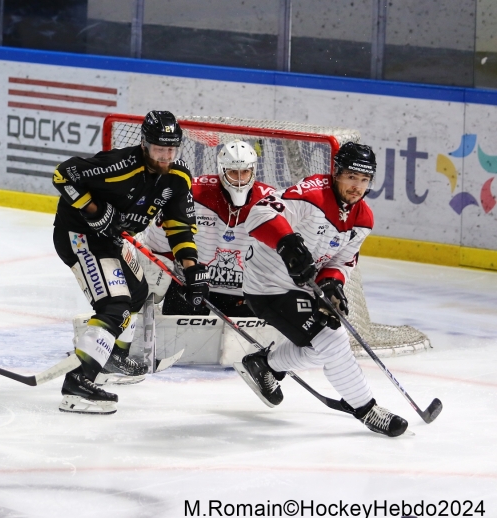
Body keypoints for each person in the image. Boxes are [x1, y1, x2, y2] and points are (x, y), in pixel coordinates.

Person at [240, 141, 408, 437]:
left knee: (325, 343)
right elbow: (258, 214)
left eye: (364, 180)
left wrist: (332, 284)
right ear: (337, 173)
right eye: (352, 177)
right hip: (266, 283)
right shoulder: (311, 194)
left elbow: (343, 260)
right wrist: (287, 243)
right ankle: (366, 409)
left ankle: (265, 364)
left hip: (302, 288)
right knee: (333, 339)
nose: (357, 186)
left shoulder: (363, 219)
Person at [52, 111, 208, 414]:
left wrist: (192, 271)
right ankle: (78, 383)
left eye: (171, 150)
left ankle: (113, 358)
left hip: (112, 240)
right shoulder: (119, 165)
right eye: (159, 149)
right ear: (144, 144)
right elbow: (63, 174)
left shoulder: (177, 179)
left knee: (137, 293)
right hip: (80, 235)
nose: (165, 156)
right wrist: (94, 209)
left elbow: (178, 225)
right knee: (116, 305)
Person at [140, 140, 274, 317]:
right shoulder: (192, 192)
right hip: (192, 285)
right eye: (234, 172)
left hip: (245, 293)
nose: (240, 179)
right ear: (222, 171)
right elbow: (157, 245)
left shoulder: (270, 201)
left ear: (253, 171)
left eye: (245, 172)